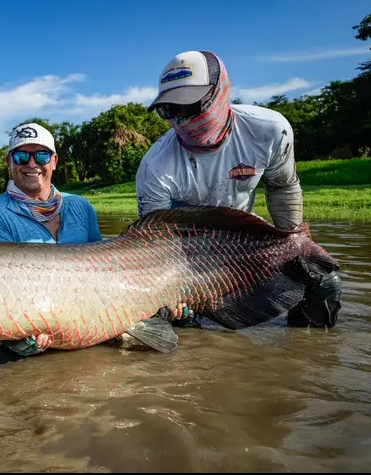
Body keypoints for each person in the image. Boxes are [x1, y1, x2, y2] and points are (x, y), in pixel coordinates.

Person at [136, 50, 342, 329]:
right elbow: (153, 243)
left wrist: (294, 243)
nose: (181, 120)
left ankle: (307, 352)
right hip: (184, 258)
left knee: (323, 281)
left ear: (219, 93)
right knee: (174, 318)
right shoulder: (155, 167)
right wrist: (170, 291)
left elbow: (282, 186)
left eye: (188, 106)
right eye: (169, 110)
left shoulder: (269, 130)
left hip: (246, 243)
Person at [0, 122, 188, 362]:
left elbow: (106, 271)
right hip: (35, 325)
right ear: (9, 162)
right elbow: (2, 296)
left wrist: (157, 299)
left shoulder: (80, 206)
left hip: (91, 318)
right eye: (22, 156)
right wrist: (16, 339)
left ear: (54, 161)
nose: (32, 164)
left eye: (41, 155)